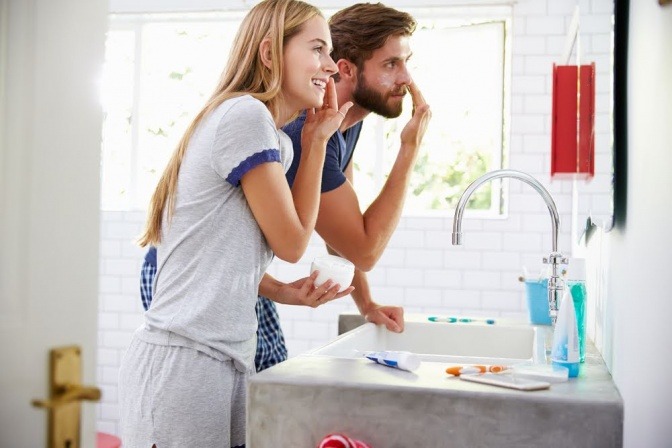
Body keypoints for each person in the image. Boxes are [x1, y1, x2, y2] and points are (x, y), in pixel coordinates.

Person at [140, 2, 431, 374]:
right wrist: (409, 150)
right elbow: (362, 249)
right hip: (191, 272)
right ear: (346, 70)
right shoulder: (294, 132)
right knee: (258, 383)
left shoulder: (336, 129)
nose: (407, 77)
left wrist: (366, 304)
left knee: (264, 382)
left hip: (238, 268)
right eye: (392, 64)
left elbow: (339, 234)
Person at [119, 1, 354, 447]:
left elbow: (218, 247)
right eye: (318, 49)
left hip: (221, 359)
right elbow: (293, 244)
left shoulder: (272, 139)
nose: (330, 66)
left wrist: (281, 291)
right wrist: (319, 141)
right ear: (269, 54)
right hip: (185, 362)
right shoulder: (245, 117)